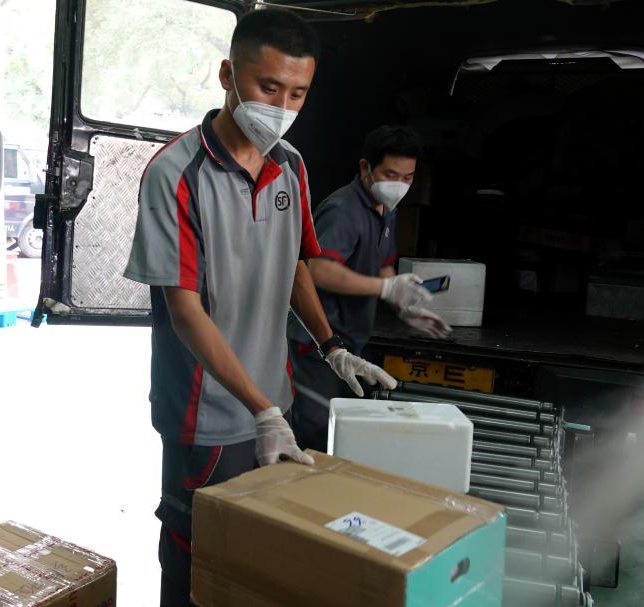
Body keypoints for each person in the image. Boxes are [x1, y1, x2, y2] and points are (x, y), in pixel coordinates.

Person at [122, 10, 396, 606]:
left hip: (276, 404)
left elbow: (293, 262)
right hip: (207, 418)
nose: (281, 106)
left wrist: (331, 345)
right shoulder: (176, 174)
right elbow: (185, 309)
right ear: (228, 74)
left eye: (297, 93)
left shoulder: (290, 165)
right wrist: (259, 408)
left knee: (255, 558)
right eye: (268, 87)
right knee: (198, 556)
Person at [287, 125, 452, 452]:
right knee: (316, 433)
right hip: (315, 345)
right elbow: (318, 270)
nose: (399, 185)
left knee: (343, 432)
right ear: (365, 168)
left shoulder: (386, 210)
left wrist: (403, 304)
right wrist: (385, 288)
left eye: (407, 178)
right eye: (390, 175)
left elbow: (383, 263)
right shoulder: (343, 210)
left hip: (351, 343)